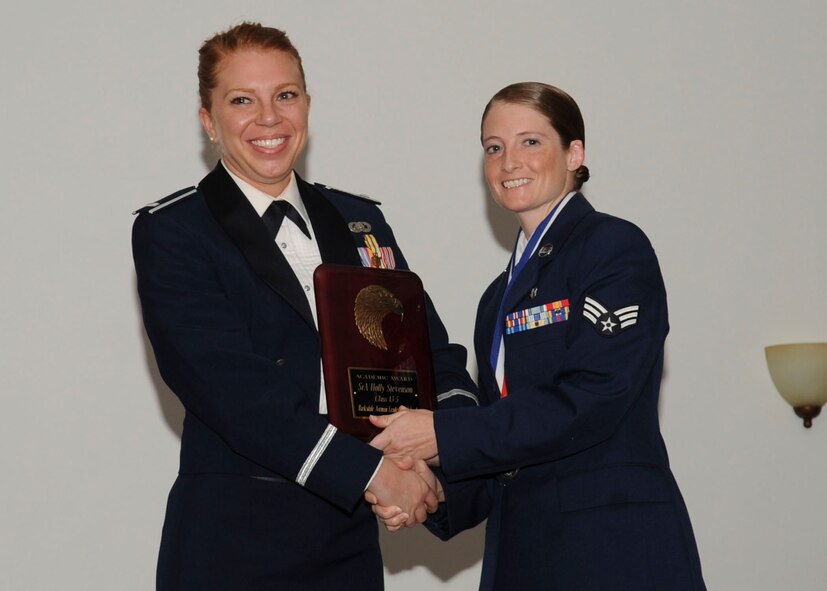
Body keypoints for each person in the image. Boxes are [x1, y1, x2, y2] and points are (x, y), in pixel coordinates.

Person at [132, 22, 477, 591]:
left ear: (308, 106)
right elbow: (235, 392)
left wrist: (449, 448)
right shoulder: (174, 231)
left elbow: (427, 353)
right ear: (208, 122)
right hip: (234, 547)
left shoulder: (359, 220)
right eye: (242, 100)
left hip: (346, 546)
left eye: (285, 95)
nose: (269, 118)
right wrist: (372, 474)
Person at [369, 82, 706, 590]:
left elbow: (594, 397)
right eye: (494, 147)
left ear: (575, 154)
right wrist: (427, 491)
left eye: (531, 142)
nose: (509, 162)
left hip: (613, 549)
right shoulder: (496, 298)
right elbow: (503, 447)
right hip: (523, 554)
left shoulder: (613, 248)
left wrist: (444, 434)